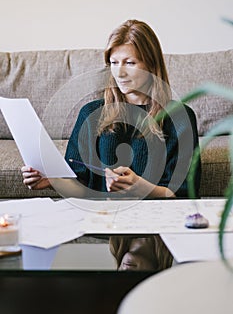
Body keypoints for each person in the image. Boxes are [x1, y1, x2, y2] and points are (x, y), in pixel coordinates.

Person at [21, 19, 201, 270]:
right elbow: (80, 179)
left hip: (154, 225)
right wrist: (51, 180)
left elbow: (183, 193)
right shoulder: (91, 113)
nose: (120, 72)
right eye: (114, 63)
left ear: (151, 64)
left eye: (129, 62)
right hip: (105, 224)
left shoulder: (180, 117)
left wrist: (141, 187)